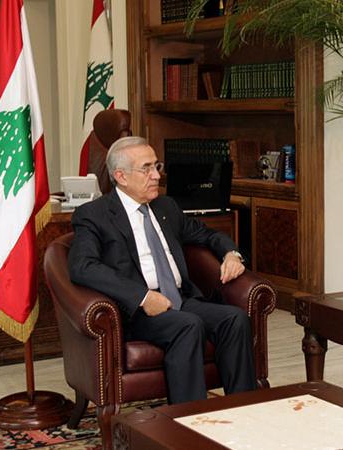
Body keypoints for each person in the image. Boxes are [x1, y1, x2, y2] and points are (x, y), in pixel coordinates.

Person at [68, 136, 255, 404]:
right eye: (146, 168)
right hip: (137, 311)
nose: (156, 175)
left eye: (157, 166)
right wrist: (142, 297)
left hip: (181, 298)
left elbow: (207, 234)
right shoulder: (94, 215)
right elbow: (82, 266)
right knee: (188, 325)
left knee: (234, 320)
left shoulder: (166, 206)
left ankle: (243, 408)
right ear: (121, 176)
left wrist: (231, 254)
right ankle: (187, 417)